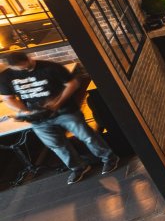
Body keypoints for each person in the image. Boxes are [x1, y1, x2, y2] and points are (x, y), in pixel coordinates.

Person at [0, 52, 117, 184]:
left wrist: (57, 102)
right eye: (18, 69)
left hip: (65, 110)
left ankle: (109, 158)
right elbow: (8, 98)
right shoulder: (6, 76)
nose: (22, 70)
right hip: (38, 117)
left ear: (28, 58)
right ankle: (78, 168)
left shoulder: (50, 67)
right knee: (57, 145)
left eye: (24, 66)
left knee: (87, 136)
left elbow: (72, 84)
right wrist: (26, 111)